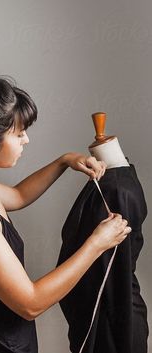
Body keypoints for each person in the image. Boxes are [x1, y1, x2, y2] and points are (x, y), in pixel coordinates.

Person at [0, 59, 131, 353]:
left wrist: (65, 161)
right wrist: (96, 244)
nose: (26, 139)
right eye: (19, 133)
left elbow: (19, 195)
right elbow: (30, 303)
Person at [57, 112, 148, 353]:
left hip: (113, 319)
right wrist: (65, 160)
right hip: (111, 311)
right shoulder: (116, 178)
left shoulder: (117, 191)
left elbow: (113, 274)